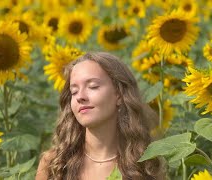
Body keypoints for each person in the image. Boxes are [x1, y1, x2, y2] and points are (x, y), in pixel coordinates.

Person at [36, 52, 164, 180]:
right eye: (74, 91)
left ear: (119, 95)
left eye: (93, 86)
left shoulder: (144, 165)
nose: (80, 96)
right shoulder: (54, 164)